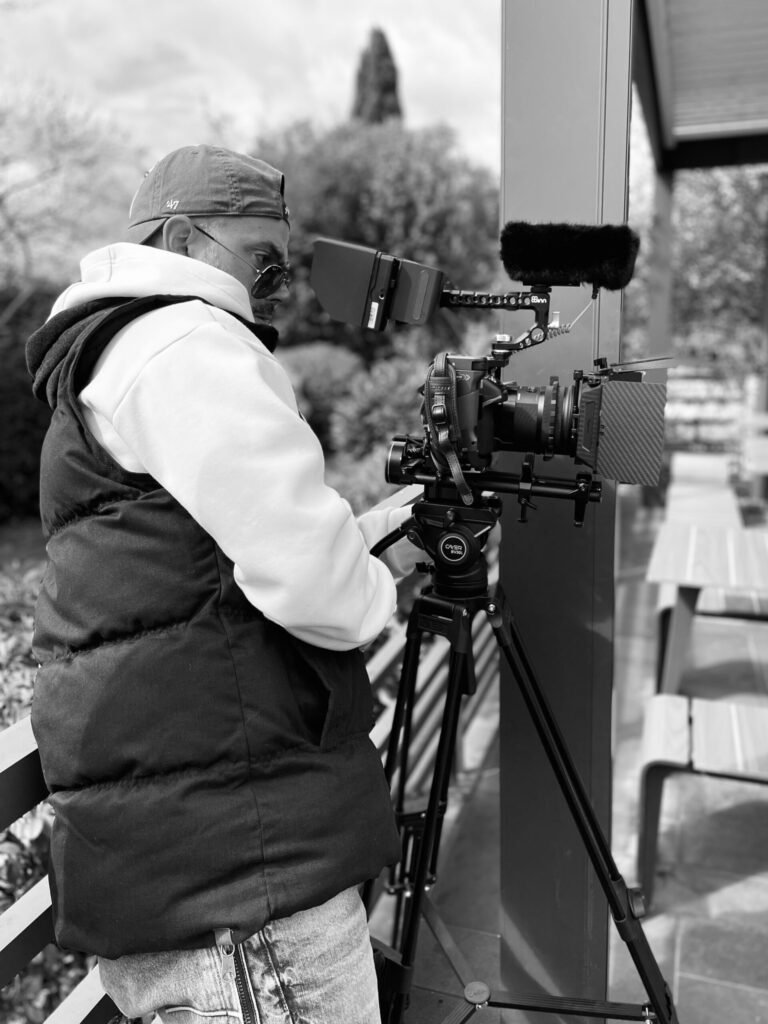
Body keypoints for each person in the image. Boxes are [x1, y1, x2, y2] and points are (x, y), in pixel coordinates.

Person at [26, 144, 419, 1024]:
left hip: (196, 855)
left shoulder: (118, 351)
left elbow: (201, 572)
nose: (276, 287)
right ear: (175, 237)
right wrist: (371, 586)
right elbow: (318, 591)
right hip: (242, 880)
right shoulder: (182, 340)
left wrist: (373, 537)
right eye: (261, 261)